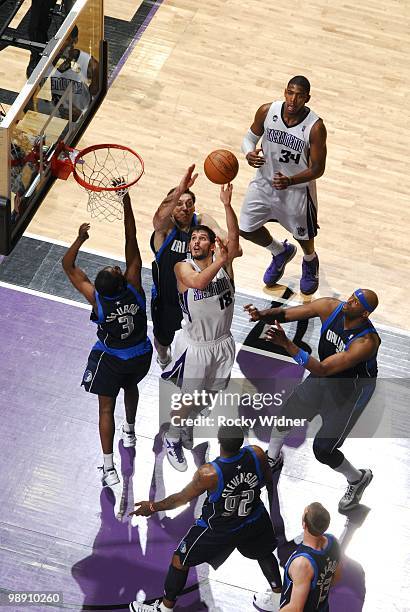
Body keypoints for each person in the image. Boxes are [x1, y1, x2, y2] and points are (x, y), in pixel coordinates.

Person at [244, 288, 380, 512]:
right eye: (352, 295)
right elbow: (287, 314)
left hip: (349, 393)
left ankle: (357, 479)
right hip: (325, 377)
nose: (350, 300)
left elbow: (324, 368)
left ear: (365, 314)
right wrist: (262, 315)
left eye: (356, 301)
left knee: (323, 450)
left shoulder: (366, 342)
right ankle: (272, 458)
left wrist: (287, 344)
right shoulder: (329, 307)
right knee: (286, 416)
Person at [128, 425, 282, 612]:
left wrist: (152, 507)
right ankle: (278, 597)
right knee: (264, 553)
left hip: (220, 528)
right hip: (253, 518)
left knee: (180, 560)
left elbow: (180, 499)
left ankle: (164, 609)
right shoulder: (257, 453)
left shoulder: (209, 473)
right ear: (241, 441)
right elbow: (266, 479)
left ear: (218, 441)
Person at [62, 191, 152, 487]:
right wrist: (126, 200)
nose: (116, 266)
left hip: (113, 359)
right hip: (140, 356)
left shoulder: (97, 300)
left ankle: (108, 467)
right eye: (116, 269)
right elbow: (131, 238)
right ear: (122, 279)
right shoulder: (135, 285)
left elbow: (67, 266)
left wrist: (79, 239)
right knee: (132, 386)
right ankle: (130, 430)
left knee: (104, 408)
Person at [161, 181, 242, 471]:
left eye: (202, 238)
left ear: (211, 244)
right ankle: (172, 437)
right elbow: (198, 282)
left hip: (223, 342)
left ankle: (185, 426)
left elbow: (233, 240)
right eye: (193, 237)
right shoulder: (183, 268)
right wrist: (221, 260)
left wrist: (227, 204)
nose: (195, 241)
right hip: (196, 346)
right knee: (189, 398)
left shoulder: (224, 266)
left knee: (209, 395)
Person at [240, 75, 327, 295]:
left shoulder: (315, 127)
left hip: (297, 190)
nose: (293, 99)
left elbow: (318, 168)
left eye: (299, 96)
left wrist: (291, 180)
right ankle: (280, 252)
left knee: (304, 236)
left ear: (307, 98)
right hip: (263, 183)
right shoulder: (267, 111)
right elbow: (249, 138)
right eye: (290, 92)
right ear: (284, 92)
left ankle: (310, 260)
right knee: (246, 229)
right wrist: (249, 153)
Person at [151, 164, 229, 369]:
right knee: (162, 340)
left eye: (189, 203)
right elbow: (158, 219)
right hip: (167, 301)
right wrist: (179, 190)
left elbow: (221, 234)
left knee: (200, 345)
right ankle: (164, 359)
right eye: (179, 203)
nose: (184, 207)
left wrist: (223, 236)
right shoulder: (164, 232)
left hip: (198, 299)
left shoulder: (201, 223)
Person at [254, 502, 341, 612]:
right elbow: (336, 578)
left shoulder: (302, 564)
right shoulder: (333, 542)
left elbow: (296, 608)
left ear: (304, 524)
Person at [50, 26, 99, 121]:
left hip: (79, 119)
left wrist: (81, 114)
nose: (62, 43)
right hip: (55, 115)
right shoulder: (48, 60)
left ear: (75, 40)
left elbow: (96, 93)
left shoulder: (90, 64)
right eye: (59, 39)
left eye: (66, 39)